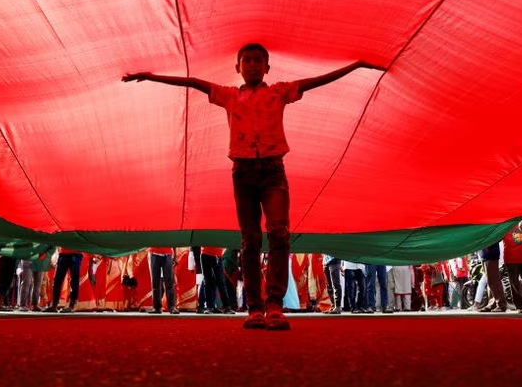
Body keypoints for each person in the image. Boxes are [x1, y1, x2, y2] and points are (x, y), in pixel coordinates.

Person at [123, 44, 383, 330]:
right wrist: (152, 76)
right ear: (238, 68)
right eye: (247, 61)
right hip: (243, 173)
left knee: (279, 235)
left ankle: (274, 305)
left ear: (267, 68)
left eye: (259, 61)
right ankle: (254, 308)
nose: (253, 65)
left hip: (273, 172)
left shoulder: (279, 92)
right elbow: (193, 82)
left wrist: (355, 66)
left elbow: (316, 81)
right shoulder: (230, 95)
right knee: (250, 241)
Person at [148, 246, 178, 314]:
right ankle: (157, 307)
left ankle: (172, 307)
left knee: (169, 282)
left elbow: (174, 240)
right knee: (155, 282)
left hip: (168, 254)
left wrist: (175, 256)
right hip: (154, 253)